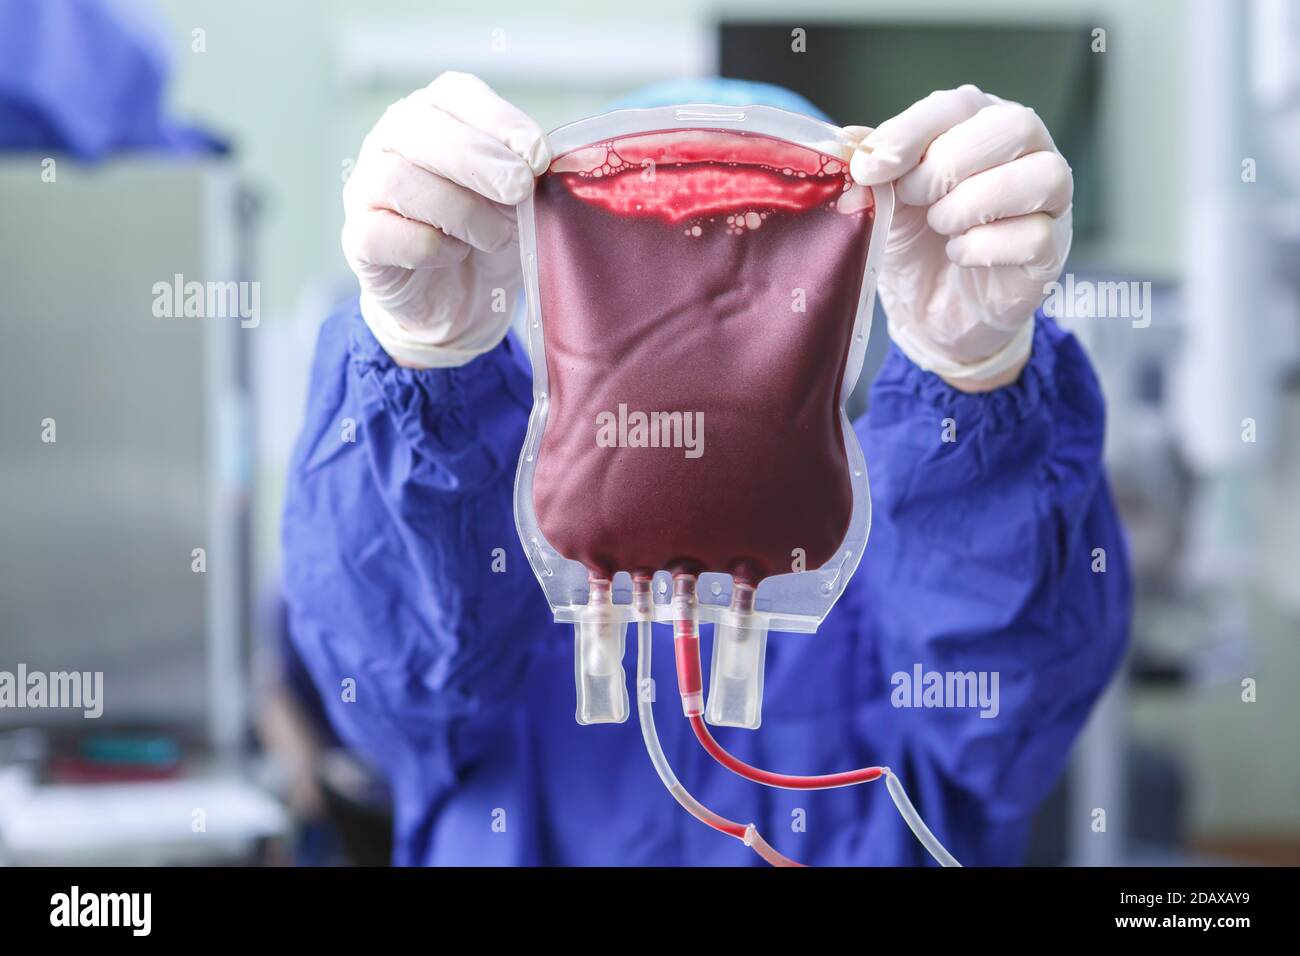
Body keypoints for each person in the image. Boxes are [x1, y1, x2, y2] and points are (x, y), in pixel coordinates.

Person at [282, 73, 1131, 865]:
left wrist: (976, 391)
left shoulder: (877, 525)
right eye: (656, 273)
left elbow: (1001, 715)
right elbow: (390, 691)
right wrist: (423, 373)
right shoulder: (499, 524)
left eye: (748, 280)